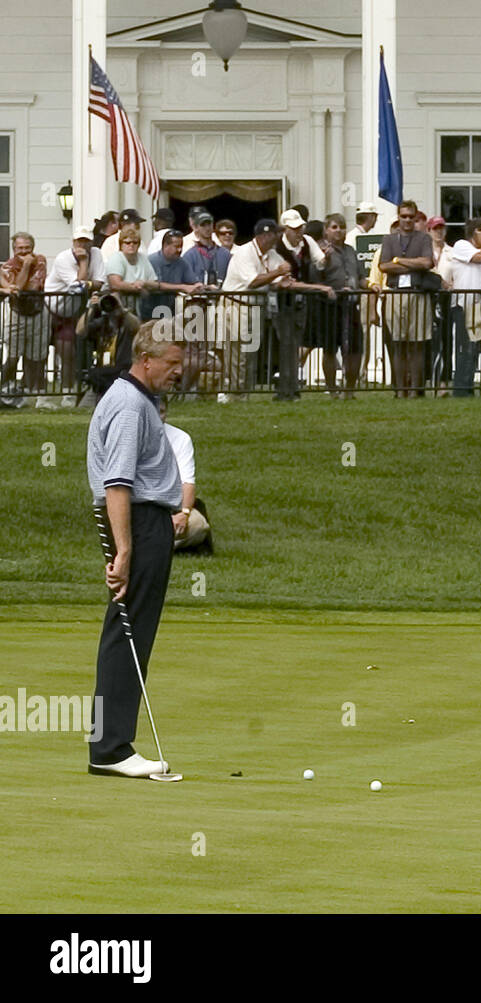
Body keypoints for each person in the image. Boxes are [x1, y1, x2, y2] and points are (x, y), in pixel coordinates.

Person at [85, 320, 185, 778]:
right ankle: (110, 748)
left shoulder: (139, 400)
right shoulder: (129, 406)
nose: (178, 371)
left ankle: (111, 745)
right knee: (127, 630)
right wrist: (124, 551)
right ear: (146, 360)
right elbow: (117, 484)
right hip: (139, 522)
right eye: (172, 363)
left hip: (146, 522)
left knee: (131, 629)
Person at [221, 219, 292, 400]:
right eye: (275, 234)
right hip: (237, 305)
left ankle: (244, 393)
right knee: (238, 354)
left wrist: (284, 280)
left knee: (251, 353)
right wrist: (278, 273)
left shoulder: (272, 254)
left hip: (256, 308)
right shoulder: (244, 252)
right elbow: (253, 281)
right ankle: (235, 394)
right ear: (264, 236)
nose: (278, 237)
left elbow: (282, 277)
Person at [273, 209, 334, 401]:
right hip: (281, 301)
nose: (298, 231)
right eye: (294, 228)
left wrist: (327, 257)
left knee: (295, 344)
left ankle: (291, 388)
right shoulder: (276, 248)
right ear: (285, 229)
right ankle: (285, 389)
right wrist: (319, 288)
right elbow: (285, 281)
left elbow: (320, 263)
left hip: (301, 301)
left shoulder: (307, 242)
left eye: (300, 227)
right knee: (286, 345)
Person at [378, 200, 436, 397]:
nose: (408, 220)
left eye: (411, 217)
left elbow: (428, 262)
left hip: (417, 293)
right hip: (395, 293)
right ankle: (399, 389)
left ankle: (415, 389)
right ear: (398, 217)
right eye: (404, 216)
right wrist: (414, 264)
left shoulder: (424, 238)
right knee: (398, 343)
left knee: (417, 343)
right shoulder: (389, 239)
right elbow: (383, 266)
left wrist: (400, 261)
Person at [45, 225, 108, 407]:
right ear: (73, 242)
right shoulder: (63, 258)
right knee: (42, 353)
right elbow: (78, 286)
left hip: (72, 312)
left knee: (69, 352)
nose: (84, 245)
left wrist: (86, 281)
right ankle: (42, 394)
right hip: (51, 308)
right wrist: (83, 263)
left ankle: (69, 393)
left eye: (86, 241)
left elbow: (99, 283)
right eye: (80, 241)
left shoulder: (96, 253)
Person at [440, 216, 481, 397]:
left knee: (476, 346)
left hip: (480, 304)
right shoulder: (462, 246)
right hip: (465, 303)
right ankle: (461, 388)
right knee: (465, 347)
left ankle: (471, 385)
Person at [319, 213, 366, 398]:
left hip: (351, 303)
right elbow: (316, 275)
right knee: (330, 348)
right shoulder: (321, 251)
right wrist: (324, 260)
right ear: (326, 230)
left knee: (355, 347)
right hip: (331, 305)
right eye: (334, 227)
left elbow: (361, 276)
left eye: (342, 226)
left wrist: (370, 285)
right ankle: (332, 390)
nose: (339, 231)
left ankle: (350, 389)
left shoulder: (351, 251)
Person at [158, 398, 212, 554]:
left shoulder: (181, 439)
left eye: (161, 411)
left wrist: (184, 513)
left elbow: (187, 482)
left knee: (198, 526)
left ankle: (152, 547)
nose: (157, 416)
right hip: (138, 509)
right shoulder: (128, 436)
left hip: (171, 507)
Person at [1, 232, 49, 402]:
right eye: (20, 248)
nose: (24, 251)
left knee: (36, 356)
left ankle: (33, 392)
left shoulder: (40, 260)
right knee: (13, 355)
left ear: (33, 248)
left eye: (27, 248)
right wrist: (27, 268)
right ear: (14, 249)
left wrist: (17, 286)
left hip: (38, 313)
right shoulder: (8, 265)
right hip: (17, 314)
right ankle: (6, 389)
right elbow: (20, 289)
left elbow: (34, 285)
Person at [105, 227, 159, 320]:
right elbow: (115, 284)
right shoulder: (116, 258)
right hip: (118, 306)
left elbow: (155, 283)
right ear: (121, 244)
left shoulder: (143, 258)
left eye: (135, 242)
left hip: (141, 306)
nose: (131, 245)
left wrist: (144, 283)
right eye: (127, 242)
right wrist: (137, 288)